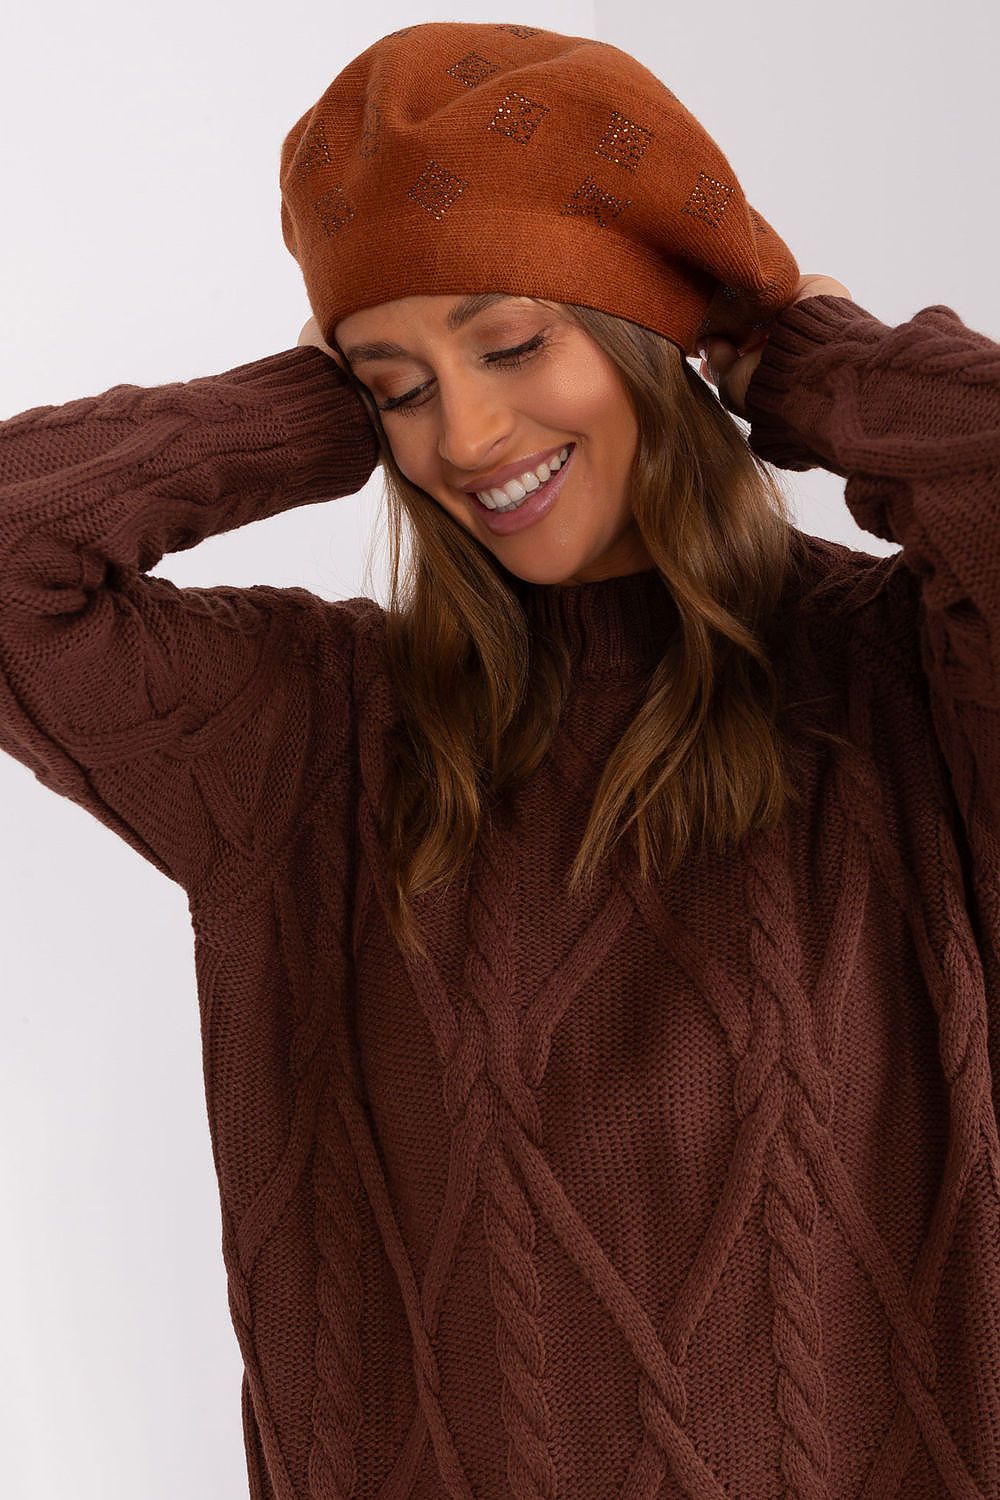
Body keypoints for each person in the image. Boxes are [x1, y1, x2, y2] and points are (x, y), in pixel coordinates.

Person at [3, 20, 1000, 1499]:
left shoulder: (920, 679)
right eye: (397, 387)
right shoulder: (307, 735)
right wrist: (306, 407)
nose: (466, 435)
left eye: (515, 343)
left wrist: (809, 360)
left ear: (653, 341)